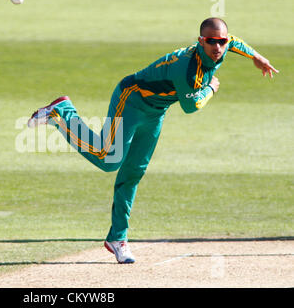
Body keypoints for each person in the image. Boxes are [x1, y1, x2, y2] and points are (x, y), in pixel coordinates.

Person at [27, 18, 279, 264]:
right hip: (132, 99)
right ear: (201, 41)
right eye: (212, 42)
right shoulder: (187, 68)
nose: (219, 47)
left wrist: (257, 57)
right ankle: (62, 112)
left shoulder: (222, 47)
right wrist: (211, 88)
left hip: (156, 112)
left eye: (222, 41)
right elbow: (192, 106)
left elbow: (236, 42)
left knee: (134, 172)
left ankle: (117, 238)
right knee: (109, 160)